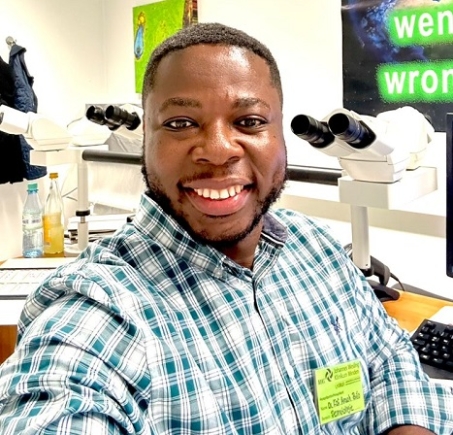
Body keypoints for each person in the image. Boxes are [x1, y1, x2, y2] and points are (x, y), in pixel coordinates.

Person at [0, 22, 451, 435]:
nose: (218, 150)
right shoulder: (99, 311)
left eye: (249, 121)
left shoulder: (316, 249)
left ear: (279, 135)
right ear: (145, 142)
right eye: (180, 123)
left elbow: (390, 358)